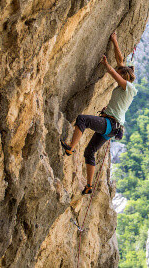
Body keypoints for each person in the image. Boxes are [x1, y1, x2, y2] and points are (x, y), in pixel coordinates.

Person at [61, 31, 137, 194]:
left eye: (121, 75)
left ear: (126, 77)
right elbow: (120, 62)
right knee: (89, 152)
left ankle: (70, 147)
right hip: (112, 127)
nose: (118, 76)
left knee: (83, 120)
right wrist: (114, 40)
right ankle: (89, 186)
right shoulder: (124, 86)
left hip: (111, 124)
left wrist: (107, 66)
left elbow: (116, 73)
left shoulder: (129, 88)